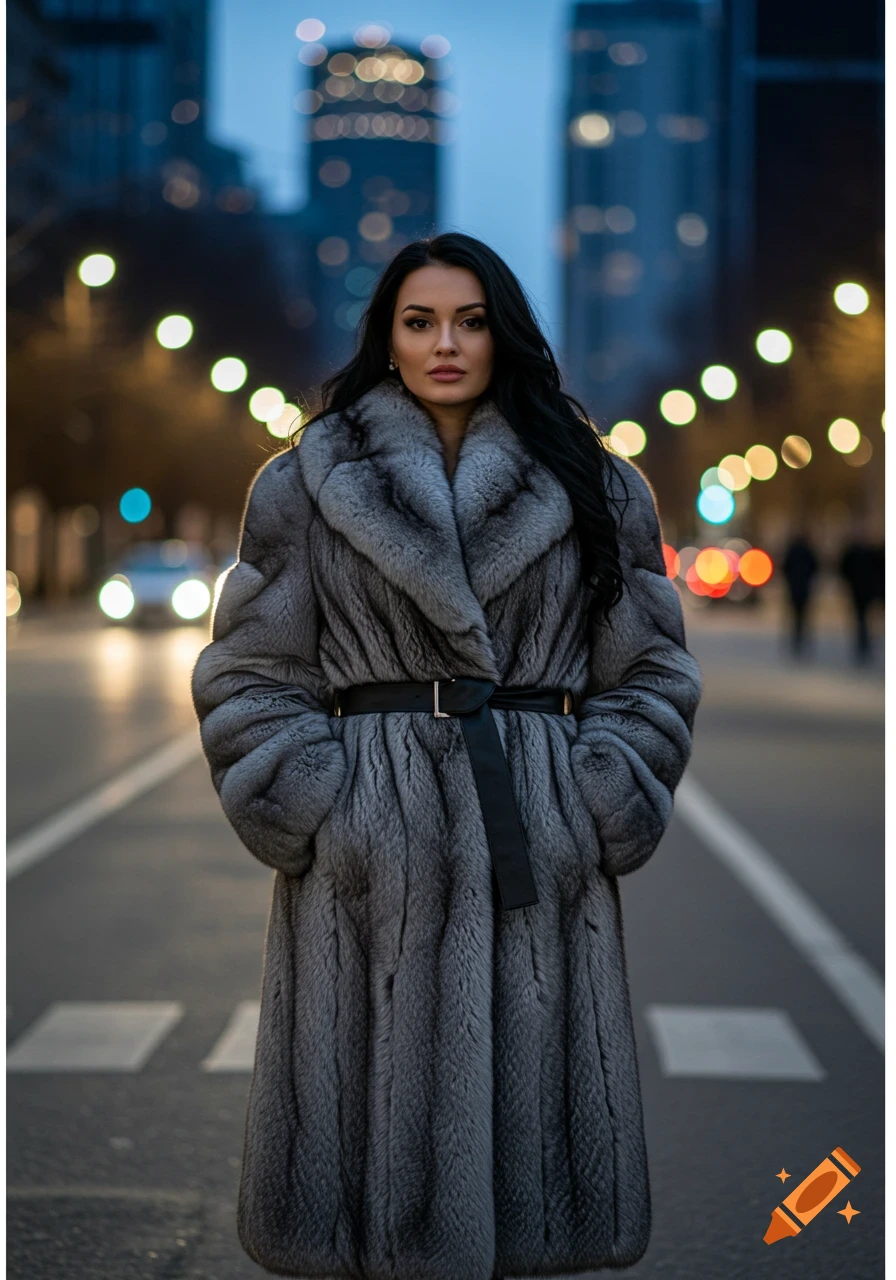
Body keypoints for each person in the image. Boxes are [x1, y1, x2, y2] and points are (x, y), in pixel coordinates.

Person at [191, 232, 704, 1280]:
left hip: (531, 840)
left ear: (502, 331)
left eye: (468, 320)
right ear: (385, 334)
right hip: (366, 856)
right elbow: (251, 670)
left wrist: (595, 794)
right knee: (361, 1199)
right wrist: (318, 801)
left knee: (526, 1186)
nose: (444, 343)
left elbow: (649, 672)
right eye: (418, 320)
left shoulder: (594, 484)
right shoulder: (307, 482)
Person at [838, 516, 881, 664]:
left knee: (865, 619)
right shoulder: (853, 552)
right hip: (857, 591)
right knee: (860, 619)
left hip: (867, 591)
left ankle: (865, 644)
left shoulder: (871, 552)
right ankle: (863, 644)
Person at [781, 526, 819, 655]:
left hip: (794, 588)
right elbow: (815, 567)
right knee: (803, 616)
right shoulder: (808, 551)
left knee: (795, 616)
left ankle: (796, 640)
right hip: (804, 588)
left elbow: (784, 568)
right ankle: (801, 639)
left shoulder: (792, 551)